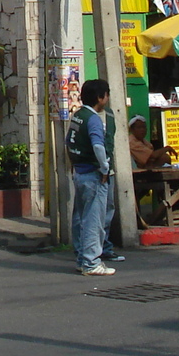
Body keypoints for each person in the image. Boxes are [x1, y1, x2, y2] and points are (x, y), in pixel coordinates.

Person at [66, 78, 119, 276]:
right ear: (100, 97)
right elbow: (98, 145)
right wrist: (105, 168)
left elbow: (69, 142)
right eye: (106, 94)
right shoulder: (94, 118)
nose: (107, 98)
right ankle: (91, 262)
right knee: (93, 221)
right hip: (93, 175)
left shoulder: (78, 115)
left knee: (81, 218)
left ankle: (82, 259)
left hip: (80, 173)